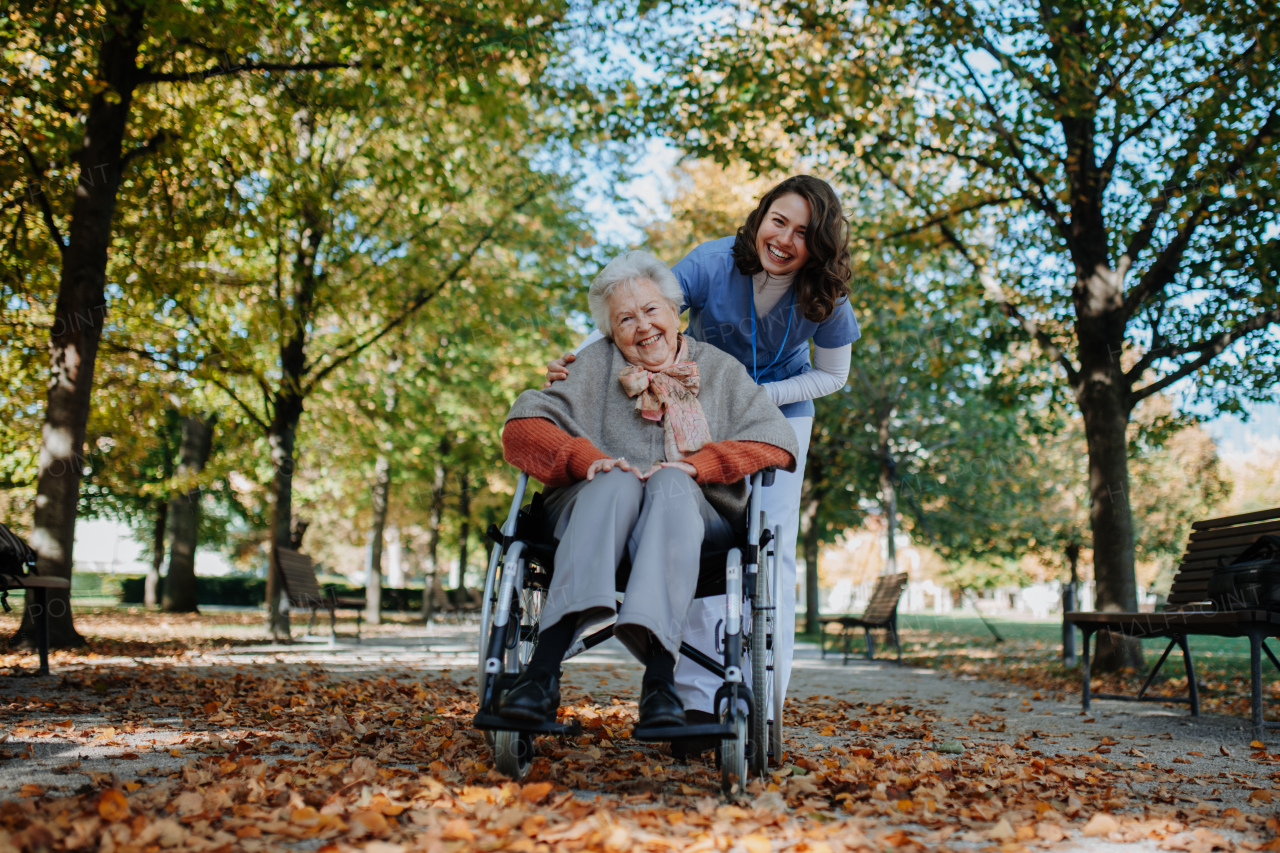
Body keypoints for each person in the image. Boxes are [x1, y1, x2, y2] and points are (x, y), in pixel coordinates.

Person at [544, 175, 860, 748]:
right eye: (778, 221)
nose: (785, 239)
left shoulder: (828, 295)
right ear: (760, 217)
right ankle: (689, 702)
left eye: (804, 233)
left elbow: (833, 376)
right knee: (683, 517)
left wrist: (758, 397)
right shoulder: (712, 263)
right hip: (690, 398)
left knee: (770, 549)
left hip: (779, 410)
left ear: (822, 245)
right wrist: (578, 362)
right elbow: (642, 311)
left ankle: (766, 700)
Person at [499, 250, 799, 729]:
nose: (643, 327)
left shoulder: (720, 370)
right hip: (592, 510)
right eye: (625, 318)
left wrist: (699, 466)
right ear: (610, 331)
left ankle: (660, 682)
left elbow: (777, 441)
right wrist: (584, 459)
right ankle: (540, 673)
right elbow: (521, 427)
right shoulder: (593, 365)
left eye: (651, 310)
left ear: (676, 311)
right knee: (615, 480)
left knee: (669, 484)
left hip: (691, 518)